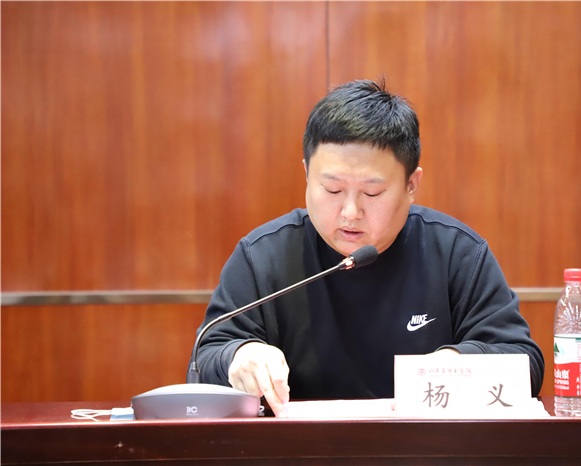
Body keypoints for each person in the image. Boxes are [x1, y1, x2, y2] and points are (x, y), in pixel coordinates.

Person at [194, 78, 545, 417]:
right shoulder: (262, 256)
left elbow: (524, 363)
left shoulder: (457, 253)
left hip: (424, 448)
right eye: (332, 190)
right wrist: (240, 356)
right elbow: (206, 357)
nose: (350, 212)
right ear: (306, 174)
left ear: (411, 185)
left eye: (372, 193)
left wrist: (456, 364)